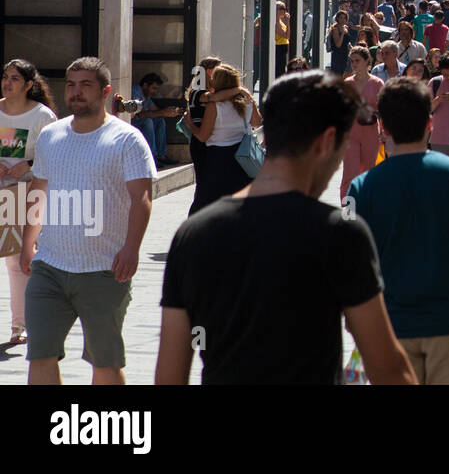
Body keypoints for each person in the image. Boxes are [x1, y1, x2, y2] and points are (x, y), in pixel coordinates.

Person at [155, 72, 417, 385]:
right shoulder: (340, 234)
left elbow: (170, 374)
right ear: (326, 142)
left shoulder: (192, 235)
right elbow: (387, 368)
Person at [347, 77, 449, 384]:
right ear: (430, 123)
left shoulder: (359, 188)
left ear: (382, 126)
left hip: (390, 330)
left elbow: (345, 257)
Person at [22, 58, 156, 385]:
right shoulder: (52, 135)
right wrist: (28, 242)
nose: (76, 92)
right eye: (71, 85)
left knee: (105, 361)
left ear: (105, 92)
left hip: (104, 269)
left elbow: (141, 198)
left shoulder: (127, 139)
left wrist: (131, 248)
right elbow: (39, 189)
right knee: (39, 354)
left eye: (86, 85)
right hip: (49, 267)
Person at [0, 59, 59, 346]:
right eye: (4, 77)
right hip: (1, 191)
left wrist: (29, 164)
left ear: (28, 85)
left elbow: (54, 155)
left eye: (14, 78)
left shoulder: (42, 116)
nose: (7, 82)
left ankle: (20, 325)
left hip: (27, 192)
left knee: (16, 259)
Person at [189, 64, 262, 214]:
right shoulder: (247, 100)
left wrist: (190, 124)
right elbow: (256, 122)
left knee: (207, 203)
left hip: (218, 157)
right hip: (242, 157)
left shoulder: (215, 105)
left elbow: (203, 136)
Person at [342, 47, 385, 200]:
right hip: (351, 133)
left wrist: (384, 130)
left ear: (367, 61)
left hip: (371, 131)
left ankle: (366, 208)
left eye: (357, 61)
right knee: (350, 172)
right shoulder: (347, 83)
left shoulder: (377, 83)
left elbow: (383, 109)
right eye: (352, 61)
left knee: (368, 171)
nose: (354, 64)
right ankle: (348, 211)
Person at [130, 74, 181, 168]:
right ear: (145, 85)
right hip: (132, 124)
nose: (155, 91)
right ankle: (151, 157)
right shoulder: (136, 92)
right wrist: (162, 112)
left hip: (140, 121)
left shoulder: (146, 96)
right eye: (153, 88)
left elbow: (154, 109)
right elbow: (140, 115)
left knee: (159, 120)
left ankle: (161, 155)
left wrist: (169, 112)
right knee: (148, 121)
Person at [328, 10, 355, 75]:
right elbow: (338, 45)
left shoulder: (345, 28)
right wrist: (342, 33)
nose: (342, 20)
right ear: (337, 18)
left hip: (345, 54)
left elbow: (346, 41)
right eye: (341, 17)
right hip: (337, 55)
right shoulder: (335, 29)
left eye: (344, 18)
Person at [274, 1, 291, 77]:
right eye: (282, 8)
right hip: (279, 48)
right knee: (279, 70)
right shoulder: (275, 23)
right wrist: (287, 22)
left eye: (285, 8)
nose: (284, 11)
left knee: (282, 69)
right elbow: (286, 36)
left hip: (283, 47)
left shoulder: (280, 22)